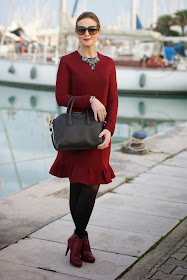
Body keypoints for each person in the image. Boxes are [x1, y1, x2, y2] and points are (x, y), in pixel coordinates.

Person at [49, 11, 118, 267]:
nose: (86, 34)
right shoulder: (67, 61)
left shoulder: (109, 63)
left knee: (90, 188)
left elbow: (112, 100)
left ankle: (76, 238)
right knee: (77, 187)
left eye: (91, 29)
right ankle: (81, 240)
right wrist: (88, 99)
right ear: (76, 32)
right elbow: (60, 97)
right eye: (81, 29)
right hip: (76, 135)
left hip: (98, 135)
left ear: (99, 31)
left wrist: (110, 129)